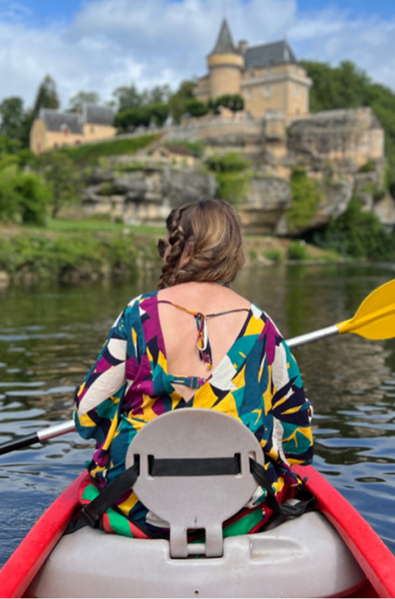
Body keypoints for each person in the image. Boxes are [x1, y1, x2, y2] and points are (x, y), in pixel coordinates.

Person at [73, 199, 313, 539]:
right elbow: (298, 439)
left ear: (181, 246)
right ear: (233, 250)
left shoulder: (137, 314)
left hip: (138, 504)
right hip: (237, 509)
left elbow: (86, 415)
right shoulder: (262, 326)